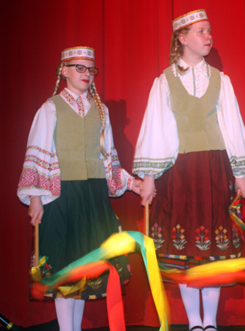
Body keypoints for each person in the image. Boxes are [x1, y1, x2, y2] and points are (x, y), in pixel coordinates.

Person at [133, 9, 245, 331]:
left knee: (212, 248)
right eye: (200, 31)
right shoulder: (164, 82)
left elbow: (233, 126)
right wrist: (148, 177)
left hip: (214, 169)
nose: (208, 36)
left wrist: (240, 171)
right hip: (180, 173)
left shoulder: (220, 80)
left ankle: (210, 322)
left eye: (209, 31)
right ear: (182, 39)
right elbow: (156, 128)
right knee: (187, 249)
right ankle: (193, 322)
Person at [17, 46, 141, 331]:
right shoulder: (51, 108)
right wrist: (35, 197)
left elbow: (108, 157)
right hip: (62, 196)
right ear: (63, 71)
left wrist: (131, 182)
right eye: (79, 68)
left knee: (85, 266)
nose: (86, 74)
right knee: (65, 268)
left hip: (93, 196)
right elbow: (38, 152)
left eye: (91, 69)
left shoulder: (102, 111)